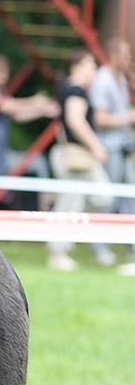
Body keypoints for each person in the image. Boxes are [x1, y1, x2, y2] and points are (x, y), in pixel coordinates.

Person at [46, 49, 112, 272]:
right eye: (90, 64)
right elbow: (75, 121)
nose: (94, 69)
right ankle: (58, 253)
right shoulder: (75, 91)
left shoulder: (65, 88)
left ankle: (61, 249)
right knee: (77, 202)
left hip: (72, 156)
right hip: (76, 156)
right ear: (77, 66)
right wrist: (96, 145)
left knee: (85, 199)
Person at [0, 54, 59, 209]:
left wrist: (42, 110)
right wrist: (34, 101)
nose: (3, 76)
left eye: (5, 72)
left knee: (35, 165)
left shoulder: (2, 93)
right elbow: (6, 106)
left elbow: (18, 114)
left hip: (0, 150)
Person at [88, 36, 135, 268]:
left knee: (130, 196)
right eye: (125, 55)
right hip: (108, 148)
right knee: (107, 198)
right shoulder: (103, 80)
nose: (129, 60)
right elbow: (100, 119)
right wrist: (128, 118)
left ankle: (130, 245)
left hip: (124, 146)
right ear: (114, 55)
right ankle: (100, 248)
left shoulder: (121, 79)